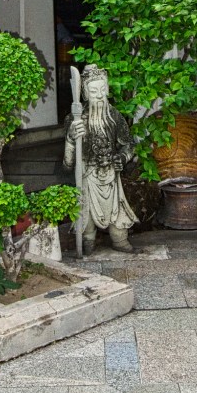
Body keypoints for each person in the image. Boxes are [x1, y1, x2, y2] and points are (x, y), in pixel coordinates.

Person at [63, 65, 138, 255]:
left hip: (111, 175)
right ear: (85, 93)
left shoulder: (114, 116)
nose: (99, 95)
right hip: (88, 174)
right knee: (86, 213)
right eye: (93, 91)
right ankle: (88, 240)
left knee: (117, 214)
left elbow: (129, 144)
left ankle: (119, 239)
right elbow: (68, 163)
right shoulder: (75, 119)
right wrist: (71, 140)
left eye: (103, 90)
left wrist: (122, 157)